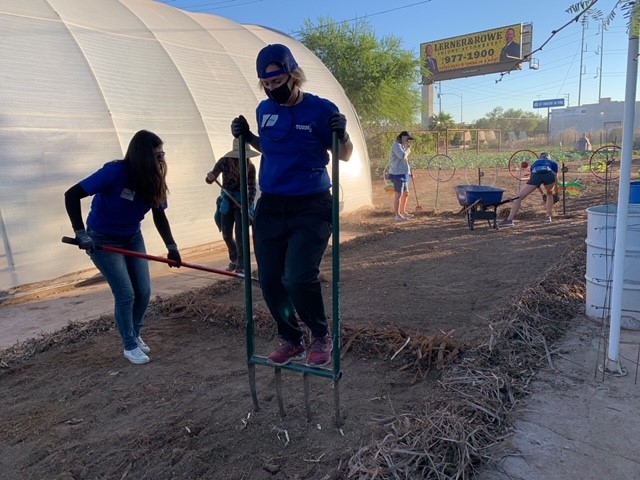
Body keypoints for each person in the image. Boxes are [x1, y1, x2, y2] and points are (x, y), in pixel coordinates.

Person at [230, 43, 353, 367]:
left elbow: (344, 155)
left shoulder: (321, 110)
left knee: (297, 277)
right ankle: (292, 338)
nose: (273, 89)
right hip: (271, 205)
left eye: (277, 81)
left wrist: (343, 135)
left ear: (293, 76)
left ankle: (321, 335)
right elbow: (273, 147)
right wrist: (247, 138)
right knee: (270, 280)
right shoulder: (263, 111)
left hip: (311, 205)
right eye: (267, 85)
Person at [64, 130, 182, 365]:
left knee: (144, 291)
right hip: (102, 239)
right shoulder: (115, 172)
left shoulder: (153, 178)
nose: (161, 159)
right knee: (125, 293)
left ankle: (135, 333)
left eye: (162, 154)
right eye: (157, 155)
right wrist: (81, 233)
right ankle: (129, 345)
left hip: (132, 236)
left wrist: (172, 246)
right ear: (142, 156)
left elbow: (160, 215)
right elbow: (72, 194)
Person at [206, 138, 258, 274]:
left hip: (242, 202)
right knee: (226, 234)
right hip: (227, 200)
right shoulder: (224, 161)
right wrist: (210, 177)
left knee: (241, 236)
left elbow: (252, 188)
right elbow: (211, 178)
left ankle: (242, 265)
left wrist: (247, 204)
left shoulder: (250, 167)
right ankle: (234, 258)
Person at [499, 152, 558, 228]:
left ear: (540, 158)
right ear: (549, 158)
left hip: (536, 174)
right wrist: (555, 192)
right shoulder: (553, 163)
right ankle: (548, 216)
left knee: (518, 198)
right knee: (549, 195)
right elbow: (555, 178)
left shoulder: (535, 163)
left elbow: (536, 182)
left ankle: (509, 220)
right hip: (549, 174)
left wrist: (542, 194)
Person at [388, 131, 414, 222]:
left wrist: (410, 172)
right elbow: (402, 156)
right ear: (402, 137)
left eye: (409, 140)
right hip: (397, 174)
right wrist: (407, 149)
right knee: (398, 194)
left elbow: (405, 161)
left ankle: (403, 212)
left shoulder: (402, 146)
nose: (408, 141)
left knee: (406, 193)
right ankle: (397, 215)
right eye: (407, 139)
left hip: (404, 173)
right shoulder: (396, 146)